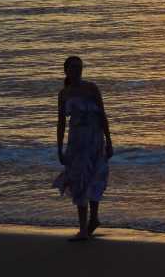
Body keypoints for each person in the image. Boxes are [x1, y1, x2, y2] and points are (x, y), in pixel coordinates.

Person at [54, 55, 113, 240]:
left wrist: (109, 140)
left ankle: (93, 219)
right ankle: (83, 228)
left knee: (95, 177)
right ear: (67, 71)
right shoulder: (64, 94)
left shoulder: (91, 88)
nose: (77, 70)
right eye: (73, 67)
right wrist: (59, 148)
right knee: (79, 181)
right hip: (76, 142)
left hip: (94, 139)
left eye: (79, 67)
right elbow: (61, 123)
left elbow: (103, 115)